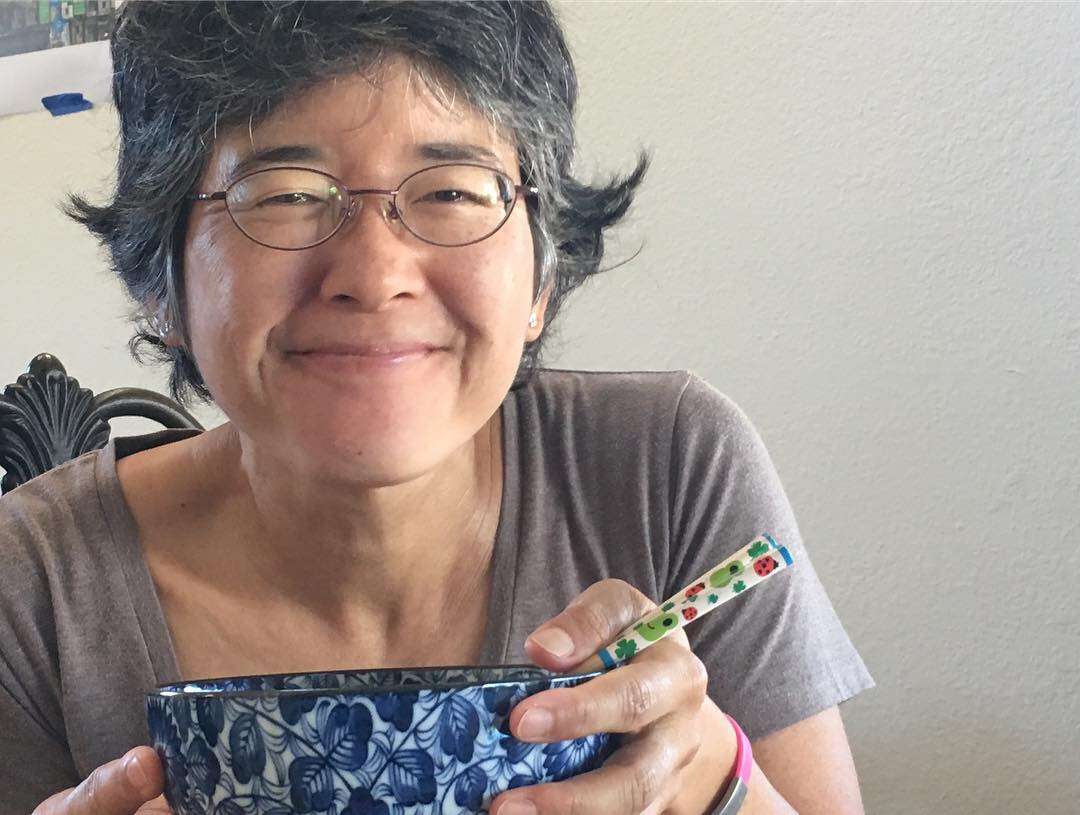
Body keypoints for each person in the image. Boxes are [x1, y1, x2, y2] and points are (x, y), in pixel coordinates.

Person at [0, 3, 875, 814]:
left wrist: (716, 777)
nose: (375, 274)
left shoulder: (666, 469)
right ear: (161, 284)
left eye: (453, 190)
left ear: (542, 276)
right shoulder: (32, 584)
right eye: (287, 194)